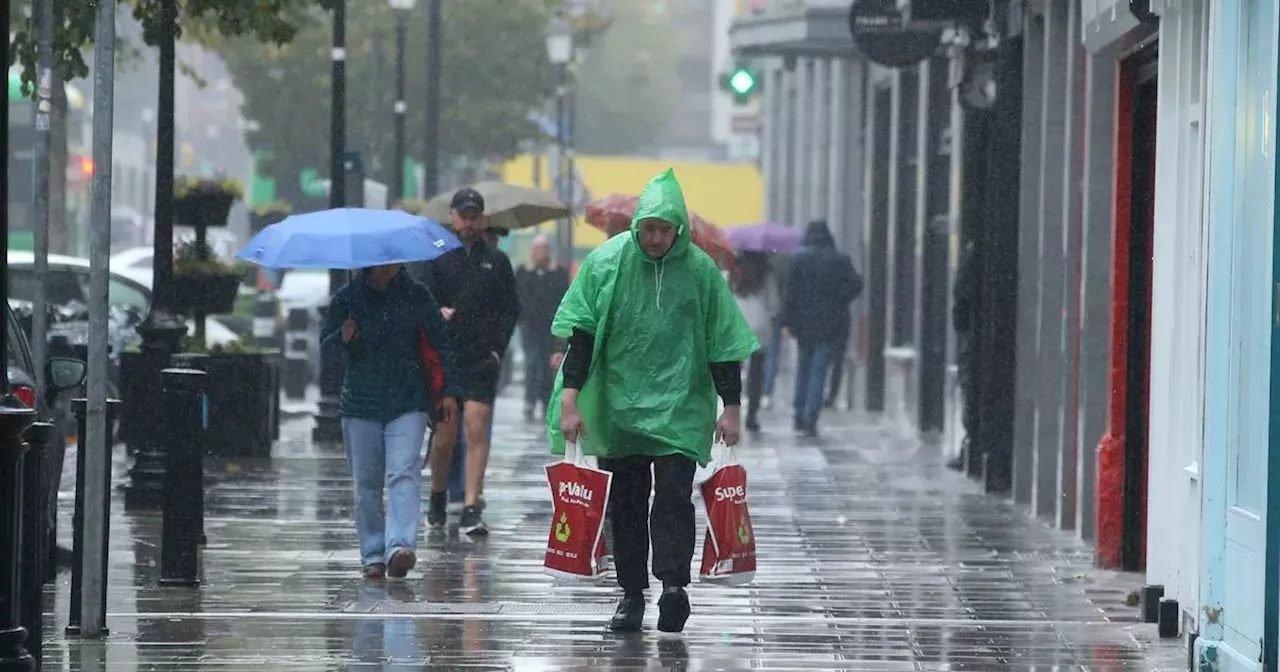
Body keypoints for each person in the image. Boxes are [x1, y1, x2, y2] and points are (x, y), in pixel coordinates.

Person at [549, 168, 760, 633]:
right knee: (626, 501)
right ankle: (630, 594)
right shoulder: (607, 264)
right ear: (637, 224)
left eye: (666, 230)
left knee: (671, 498)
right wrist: (571, 398)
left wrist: (732, 405)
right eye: (650, 228)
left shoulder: (700, 271)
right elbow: (581, 336)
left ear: (679, 230)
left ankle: (672, 586)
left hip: (681, 406)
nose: (657, 238)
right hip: (619, 407)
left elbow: (723, 342)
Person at [320, 264, 460, 578]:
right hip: (360, 404)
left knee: (404, 472)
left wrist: (449, 391)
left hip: (408, 400)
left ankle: (400, 546)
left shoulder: (416, 295)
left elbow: (441, 343)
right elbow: (326, 353)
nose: (388, 268)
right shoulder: (347, 299)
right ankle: (372, 553)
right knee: (367, 485)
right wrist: (343, 337)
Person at [424, 188, 520, 536]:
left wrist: (497, 349)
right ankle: (437, 494)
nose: (469, 223)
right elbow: (422, 301)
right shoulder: (436, 259)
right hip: (446, 360)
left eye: (475, 216)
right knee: (445, 436)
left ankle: (470, 503)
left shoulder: (496, 261)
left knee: (476, 428)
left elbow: (509, 309)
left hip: (481, 359)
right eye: (463, 216)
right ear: (452, 217)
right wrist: (437, 313)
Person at [781, 220, 862, 437]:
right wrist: (839, 300)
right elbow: (856, 285)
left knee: (804, 369)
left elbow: (789, 294)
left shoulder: (799, 260)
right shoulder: (840, 261)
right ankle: (810, 417)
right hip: (830, 324)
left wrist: (787, 321)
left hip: (804, 324)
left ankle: (798, 414)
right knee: (819, 370)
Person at [516, 234, 570, 422]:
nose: (541, 253)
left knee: (548, 366)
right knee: (531, 363)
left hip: (550, 327)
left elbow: (562, 298)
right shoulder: (524, 272)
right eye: (538, 248)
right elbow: (519, 297)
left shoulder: (558, 273)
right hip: (530, 327)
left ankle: (546, 400)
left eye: (544, 248)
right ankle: (530, 400)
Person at [730, 251, 779, 433]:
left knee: (734, 372)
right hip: (759, 325)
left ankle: (733, 411)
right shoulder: (766, 273)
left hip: (737, 324)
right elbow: (773, 304)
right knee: (756, 373)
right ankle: (752, 415)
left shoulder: (735, 271)